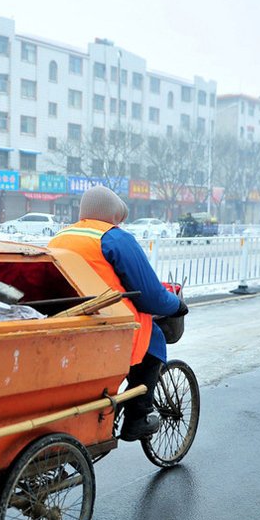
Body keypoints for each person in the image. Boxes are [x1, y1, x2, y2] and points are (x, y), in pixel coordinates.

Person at [49, 184, 188, 441]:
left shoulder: (61, 237)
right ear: (113, 215)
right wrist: (176, 305)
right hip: (111, 325)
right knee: (154, 340)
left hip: (68, 321)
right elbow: (150, 294)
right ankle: (137, 416)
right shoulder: (115, 239)